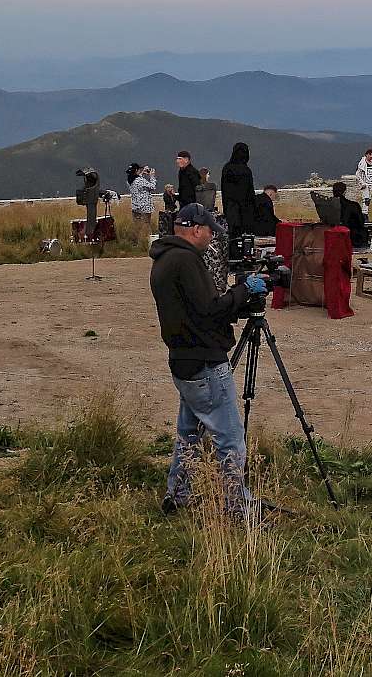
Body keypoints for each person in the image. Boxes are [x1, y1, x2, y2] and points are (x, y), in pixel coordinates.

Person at [149, 202, 267, 518]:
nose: (212, 239)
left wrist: (235, 300)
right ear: (197, 230)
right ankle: (238, 510)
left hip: (184, 362)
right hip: (205, 363)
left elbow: (195, 311)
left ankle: (177, 496)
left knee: (189, 436)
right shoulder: (186, 260)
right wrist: (243, 291)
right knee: (230, 440)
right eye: (210, 233)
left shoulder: (164, 259)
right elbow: (209, 310)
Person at [220, 142, 255, 236]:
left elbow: (224, 191)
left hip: (231, 209)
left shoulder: (227, 168)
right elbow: (250, 193)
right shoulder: (246, 170)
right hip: (245, 211)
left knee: (233, 237)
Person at [333, 181, 368, 251]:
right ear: (344, 192)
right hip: (352, 238)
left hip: (332, 237)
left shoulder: (328, 205)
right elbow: (361, 222)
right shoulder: (353, 205)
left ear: (333, 192)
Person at [355, 148, 372, 217]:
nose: (371, 156)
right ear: (366, 154)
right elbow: (357, 174)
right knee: (366, 199)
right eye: (370, 154)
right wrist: (362, 183)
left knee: (369, 199)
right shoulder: (362, 163)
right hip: (365, 183)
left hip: (370, 183)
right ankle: (364, 214)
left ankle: (365, 212)